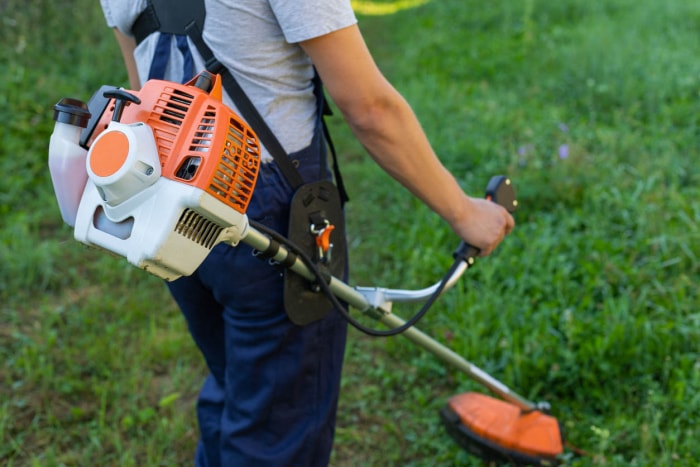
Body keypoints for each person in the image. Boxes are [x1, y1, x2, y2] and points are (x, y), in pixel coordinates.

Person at [99, 0, 515, 465]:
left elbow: (143, 98)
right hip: (267, 202)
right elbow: (368, 106)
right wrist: (464, 213)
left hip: (167, 194)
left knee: (236, 382)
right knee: (276, 424)